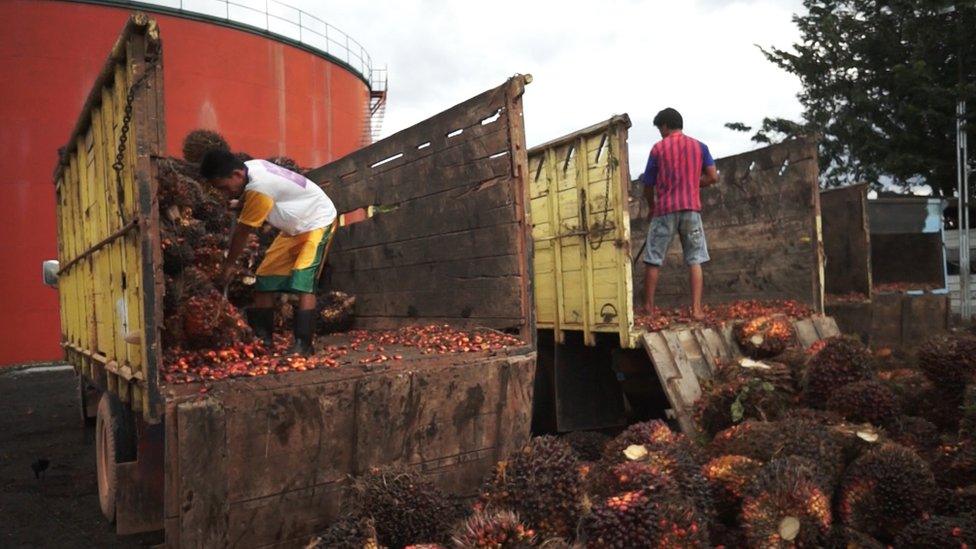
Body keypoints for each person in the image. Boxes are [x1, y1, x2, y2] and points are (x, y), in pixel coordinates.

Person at [200, 150, 338, 355]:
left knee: (303, 279)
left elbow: (243, 231)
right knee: (265, 277)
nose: (224, 193)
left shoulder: (258, 187)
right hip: (294, 227)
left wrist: (229, 265)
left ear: (237, 175)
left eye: (223, 187)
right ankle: (263, 339)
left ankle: (304, 344)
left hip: (318, 221)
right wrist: (240, 203)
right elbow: (273, 192)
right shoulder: (252, 168)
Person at [639, 108, 719, 320]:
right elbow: (713, 177)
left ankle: (648, 309)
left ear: (665, 125)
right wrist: (693, 183)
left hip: (664, 210)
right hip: (691, 210)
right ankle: (697, 310)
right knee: (695, 259)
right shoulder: (700, 147)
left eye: (660, 128)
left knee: (653, 258)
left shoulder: (658, 149)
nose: (660, 132)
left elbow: (648, 184)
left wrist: (651, 206)